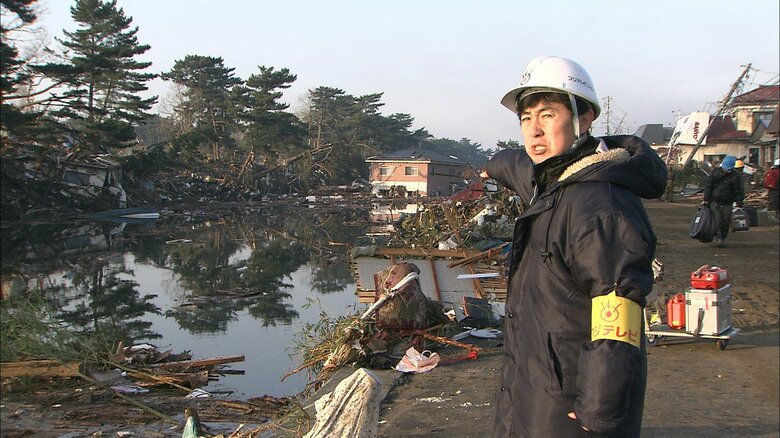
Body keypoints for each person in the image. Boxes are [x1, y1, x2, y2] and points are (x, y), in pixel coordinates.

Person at [480, 56, 667, 437]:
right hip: (532, 388)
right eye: (525, 119)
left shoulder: (601, 208)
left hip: (568, 407)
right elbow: (514, 164)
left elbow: (618, 317)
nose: (534, 131)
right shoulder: (548, 182)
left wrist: (599, 413)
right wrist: (490, 165)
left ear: (584, 119)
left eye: (547, 115)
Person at [703, 155, 745, 247]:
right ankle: (718, 236)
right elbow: (709, 186)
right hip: (715, 200)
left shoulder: (735, 176)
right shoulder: (715, 172)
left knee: (725, 222)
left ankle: (722, 237)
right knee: (717, 220)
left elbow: (738, 190)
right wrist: (706, 199)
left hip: (728, 202)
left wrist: (739, 202)